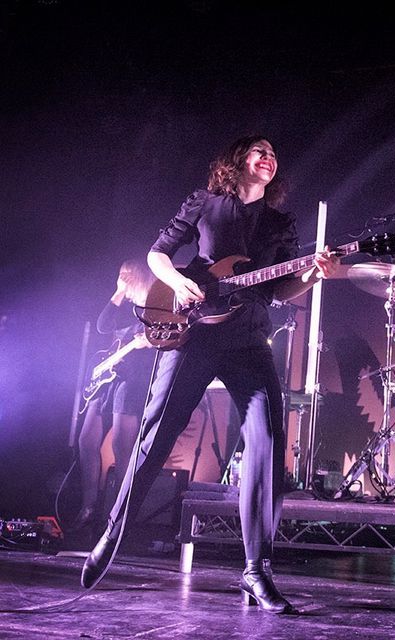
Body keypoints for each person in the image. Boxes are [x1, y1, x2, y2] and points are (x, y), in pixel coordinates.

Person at [81, 135, 338, 615]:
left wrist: (314, 273)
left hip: (249, 341)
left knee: (267, 442)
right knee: (156, 435)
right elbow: (159, 253)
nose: (270, 156)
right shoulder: (204, 203)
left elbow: (284, 289)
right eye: (259, 150)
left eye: (274, 152)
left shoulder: (280, 221)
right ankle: (113, 533)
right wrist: (178, 281)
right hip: (195, 334)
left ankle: (256, 570)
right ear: (238, 160)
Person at [74, 260, 156, 529]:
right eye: (119, 277)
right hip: (109, 377)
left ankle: (122, 515)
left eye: (126, 278)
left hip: (134, 378)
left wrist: (150, 341)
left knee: (122, 445)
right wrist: (118, 293)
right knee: (86, 440)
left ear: (139, 276)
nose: (122, 282)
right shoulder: (125, 307)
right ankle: (88, 505)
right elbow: (103, 325)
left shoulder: (156, 302)